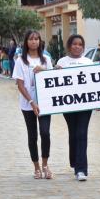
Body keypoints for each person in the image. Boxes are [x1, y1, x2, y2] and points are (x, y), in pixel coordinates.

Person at [12, 30, 53, 179]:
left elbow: (52, 79)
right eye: (31, 39)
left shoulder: (46, 59)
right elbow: (20, 84)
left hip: (45, 104)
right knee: (33, 135)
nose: (34, 41)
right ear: (26, 42)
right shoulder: (20, 61)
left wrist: (43, 70)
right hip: (27, 104)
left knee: (45, 133)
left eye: (37, 39)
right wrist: (31, 102)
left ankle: (45, 165)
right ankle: (36, 167)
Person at [56, 34, 93, 181]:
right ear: (69, 46)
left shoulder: (89, 62)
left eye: (80, 44)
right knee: (73, 133)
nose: (77, 46)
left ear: (83, 47)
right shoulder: (62, 62)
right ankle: (74, 160)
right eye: (74, 44)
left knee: (82, 133)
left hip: (85, 105)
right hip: (68, 105)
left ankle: (81, 169)